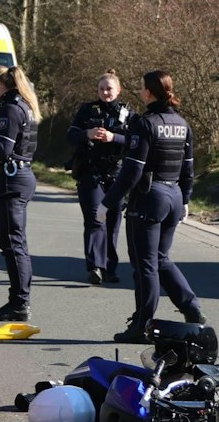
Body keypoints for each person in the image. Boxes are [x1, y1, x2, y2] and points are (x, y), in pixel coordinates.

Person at [112, 69, 205, 343]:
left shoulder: (145, 123)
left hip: (150, 198)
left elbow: (132, 170)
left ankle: (142, 325)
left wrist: (111, 201)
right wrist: (186, 198)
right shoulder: (181, 123)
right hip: (174, 196)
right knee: (161, 259)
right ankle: (192, 308)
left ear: (150, 92)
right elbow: (189, 167)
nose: (140, 91)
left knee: (146, 265)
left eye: (142, 87)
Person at [0, 65, 40, 321]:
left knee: (13, 243)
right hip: (18, 177)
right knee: (15, 242)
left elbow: (2, 148)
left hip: (11, 179)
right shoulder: (22, 104)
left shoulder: (11, 108)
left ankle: (19, 302)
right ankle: (18, 300)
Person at [65, 71, 130, 284]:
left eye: (109, 88)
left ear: (118, 90)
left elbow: (136, 142)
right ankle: (95, 267)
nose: (105, 92)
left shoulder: (128, 113)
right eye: (101, 89)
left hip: (117, 174)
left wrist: (114, 137)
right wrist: (88, 134)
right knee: (94, 219)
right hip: (91, 173)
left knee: (113, 221)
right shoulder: (86, 110)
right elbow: (70, 136)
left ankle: (110, 268)